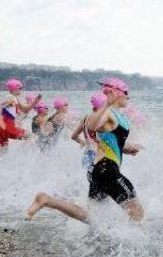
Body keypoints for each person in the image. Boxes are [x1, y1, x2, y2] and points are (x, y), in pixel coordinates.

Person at [26, 78, 144, 223]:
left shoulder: (118, 116)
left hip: (98, 170)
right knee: (136, 210)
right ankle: (137, 243)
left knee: (92, 218)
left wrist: (127, 148)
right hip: (106, 169)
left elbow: (110, 142)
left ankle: (47, 200)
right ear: (116, 93)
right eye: (126, 92)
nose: (128, 95)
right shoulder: (108, 112)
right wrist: (107, 102)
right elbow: (92, 125)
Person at [0, 79, 40, 153]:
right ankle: (18, 156)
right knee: (32, 136)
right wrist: (1, 121)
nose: (21, 90)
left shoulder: (15, 99)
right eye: (20, 88)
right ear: (14, 88)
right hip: (8, 127)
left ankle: (6, 163)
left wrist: (34, 102)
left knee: (2, 156)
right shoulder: (11, 98)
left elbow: (25, 109)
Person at [71, 93, 107, 178]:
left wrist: (82, 142)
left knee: (88, 185)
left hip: (87, 156)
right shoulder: (102, 120)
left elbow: (74, 136)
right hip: (98, 157)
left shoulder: (85, 117)